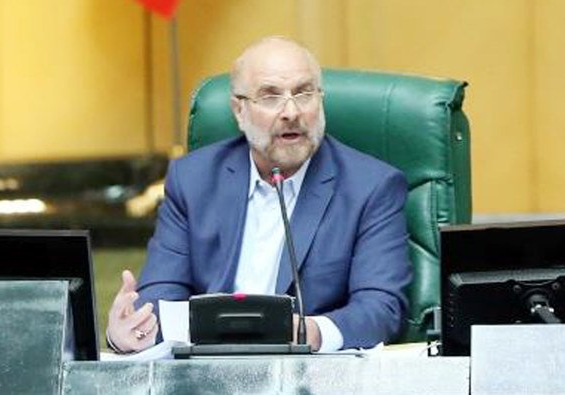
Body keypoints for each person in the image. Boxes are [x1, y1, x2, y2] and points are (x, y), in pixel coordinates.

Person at [106, 36, 412, 353]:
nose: (291, 112)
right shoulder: (193, 179)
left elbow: (381, 308)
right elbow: (161, 295)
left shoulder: (372, 187)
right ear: (239, 111)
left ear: (320, 100)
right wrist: (131, 331)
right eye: (270, 97)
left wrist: (311, 331)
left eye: (304, 93)